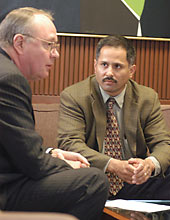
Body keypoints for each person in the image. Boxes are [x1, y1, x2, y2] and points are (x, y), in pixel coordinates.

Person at [0, 7, 109, 220]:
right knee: (93, 181)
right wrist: (67, 165)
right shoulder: (9, 79)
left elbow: (15, 145)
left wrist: (52, 153)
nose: (56, 54)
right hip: (5, 188)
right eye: (49, 45)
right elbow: (32, 163)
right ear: (20, 43)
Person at [57, 35, 170, 200]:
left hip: (134, 181)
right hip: (93, 180)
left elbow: (163, 144)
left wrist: (149, 165)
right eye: (104, 65)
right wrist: (113, 165)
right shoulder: (74, 96)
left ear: (131, 71)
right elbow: (70, 144)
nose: (109, 72)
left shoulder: (147, 97)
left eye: (117, 66)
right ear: (95, 66)